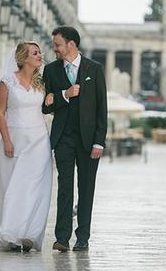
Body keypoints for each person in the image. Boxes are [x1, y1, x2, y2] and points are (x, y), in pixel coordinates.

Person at [0, 42, 53, 252]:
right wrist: (6, 140)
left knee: (35, 188)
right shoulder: (8, 81)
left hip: (39, 141)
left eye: (39, 53)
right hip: (15, 140)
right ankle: (9, 233)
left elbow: (45, 107)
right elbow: (0, 113)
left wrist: (51, 100)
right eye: (34, 53)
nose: (39, 56)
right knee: (12, 187)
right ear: (23, 58)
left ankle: (29, 233)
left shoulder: (41, 83)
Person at [42, 26, 107, 252]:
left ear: (71, 44)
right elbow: (45, 106)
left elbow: (102, 109)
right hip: (63, 139)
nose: (55, 50)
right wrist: (64, 95)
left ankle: (83, 238)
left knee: (86, 188)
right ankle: (62, 237)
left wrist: (100, 141)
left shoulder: (94, 69)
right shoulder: (50, 71)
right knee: (65, 188)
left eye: (58, 45)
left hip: (90, 141)